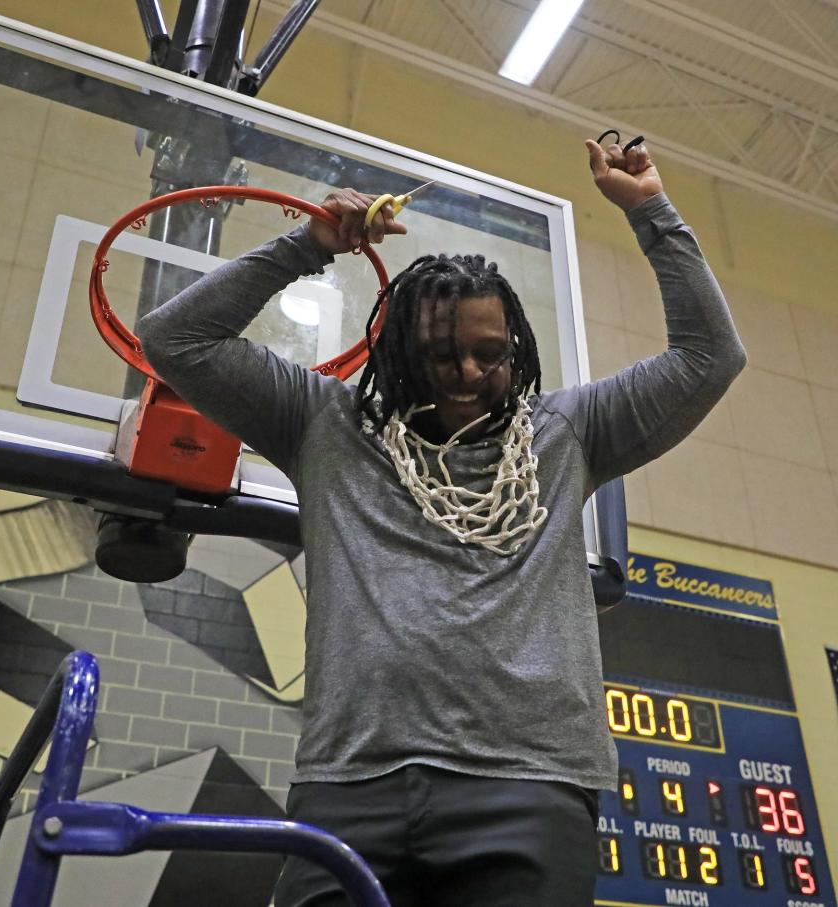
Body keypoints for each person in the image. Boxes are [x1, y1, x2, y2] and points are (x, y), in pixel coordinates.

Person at [137, 139, 746, 906]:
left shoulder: (570, 431)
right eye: (441, 352)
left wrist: (651, 212)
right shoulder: (323, 423)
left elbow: (709, 357)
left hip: (529, 786)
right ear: (397, 348)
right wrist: (308, 245)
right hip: (352, 782)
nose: (467, 372)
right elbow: (174, 338)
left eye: (490, 354)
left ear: (516, 348)